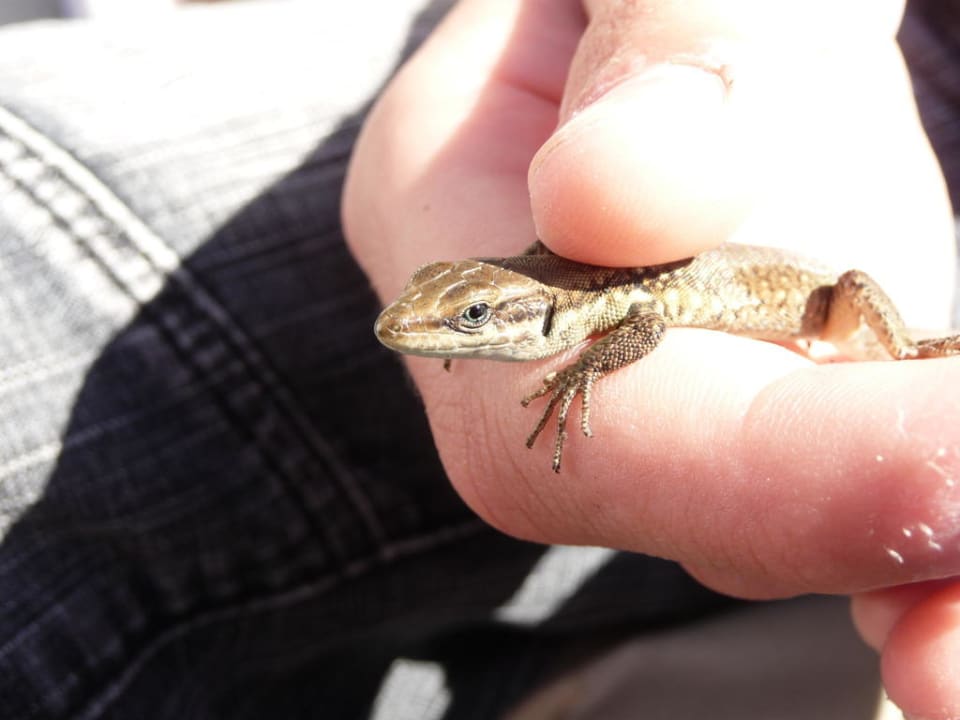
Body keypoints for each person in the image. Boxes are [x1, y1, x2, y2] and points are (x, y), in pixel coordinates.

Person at [0, 1, 956, 718]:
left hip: (818, 297)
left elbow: (649, 321)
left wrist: (580, 369)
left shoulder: (591, 306)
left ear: (522, 311)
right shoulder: (543, 277)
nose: (422, 328)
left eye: (466, 322)